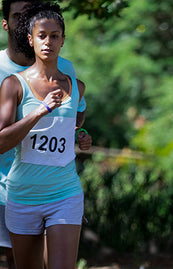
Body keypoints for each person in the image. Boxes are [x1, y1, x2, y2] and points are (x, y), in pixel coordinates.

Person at [0, 2, 91, 268]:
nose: (48, 42)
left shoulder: (77, 86)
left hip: (65, 192)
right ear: (30, 39)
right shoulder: (13, 85)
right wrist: (38, 112)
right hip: (22, 194)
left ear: (63, 40)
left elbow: (71, 124)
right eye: (42, 35)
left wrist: (81, 134)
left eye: (55, 36)